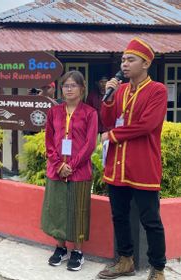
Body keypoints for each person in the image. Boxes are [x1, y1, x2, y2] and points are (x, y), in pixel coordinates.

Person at [98, 38, 167, 280]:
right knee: (119, 215)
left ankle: (158, 268)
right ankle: (125, 261)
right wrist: (108, 97)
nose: (124, 64)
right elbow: (108, 119)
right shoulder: (121, 90)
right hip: (117, 166)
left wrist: (112, 136)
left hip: (142, 165)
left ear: (145, 63)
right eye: (123, 60)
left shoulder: (157, 90)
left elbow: (146, 125)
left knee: (151, 220)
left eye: (130, 60)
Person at [41, 70, 98, 271]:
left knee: (78, 211)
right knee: (57, 210)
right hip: (56, 171)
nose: (69, 89)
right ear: (61, 89)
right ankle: (60, 248)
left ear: (82, 89)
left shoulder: (90, 113)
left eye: (73, 85)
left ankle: (78, 251)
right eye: (66, 85)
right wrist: (58, 165)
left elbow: (90, 144)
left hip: (80, 172)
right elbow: (48, 140)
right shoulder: (54, 112)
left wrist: (71, 166)